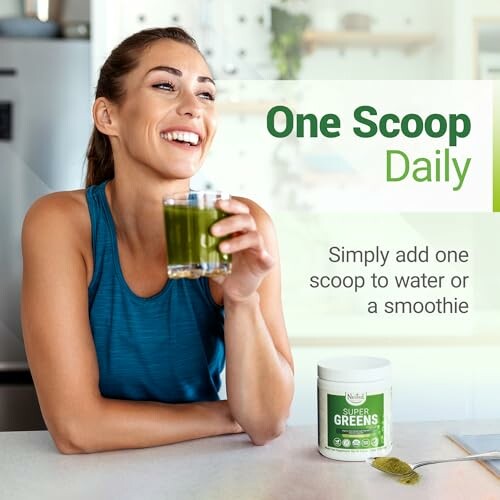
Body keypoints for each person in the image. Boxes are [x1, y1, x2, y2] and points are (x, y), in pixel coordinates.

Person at [21, 27, 294, 454]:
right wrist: (226, 414)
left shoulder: (238, 226)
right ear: (108, 116)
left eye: (206, 95)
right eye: (166, 86)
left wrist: (242, 298)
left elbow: (265, 421)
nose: (193, 108)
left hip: (205, 472)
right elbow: (75, 429)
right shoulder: (61, 224)